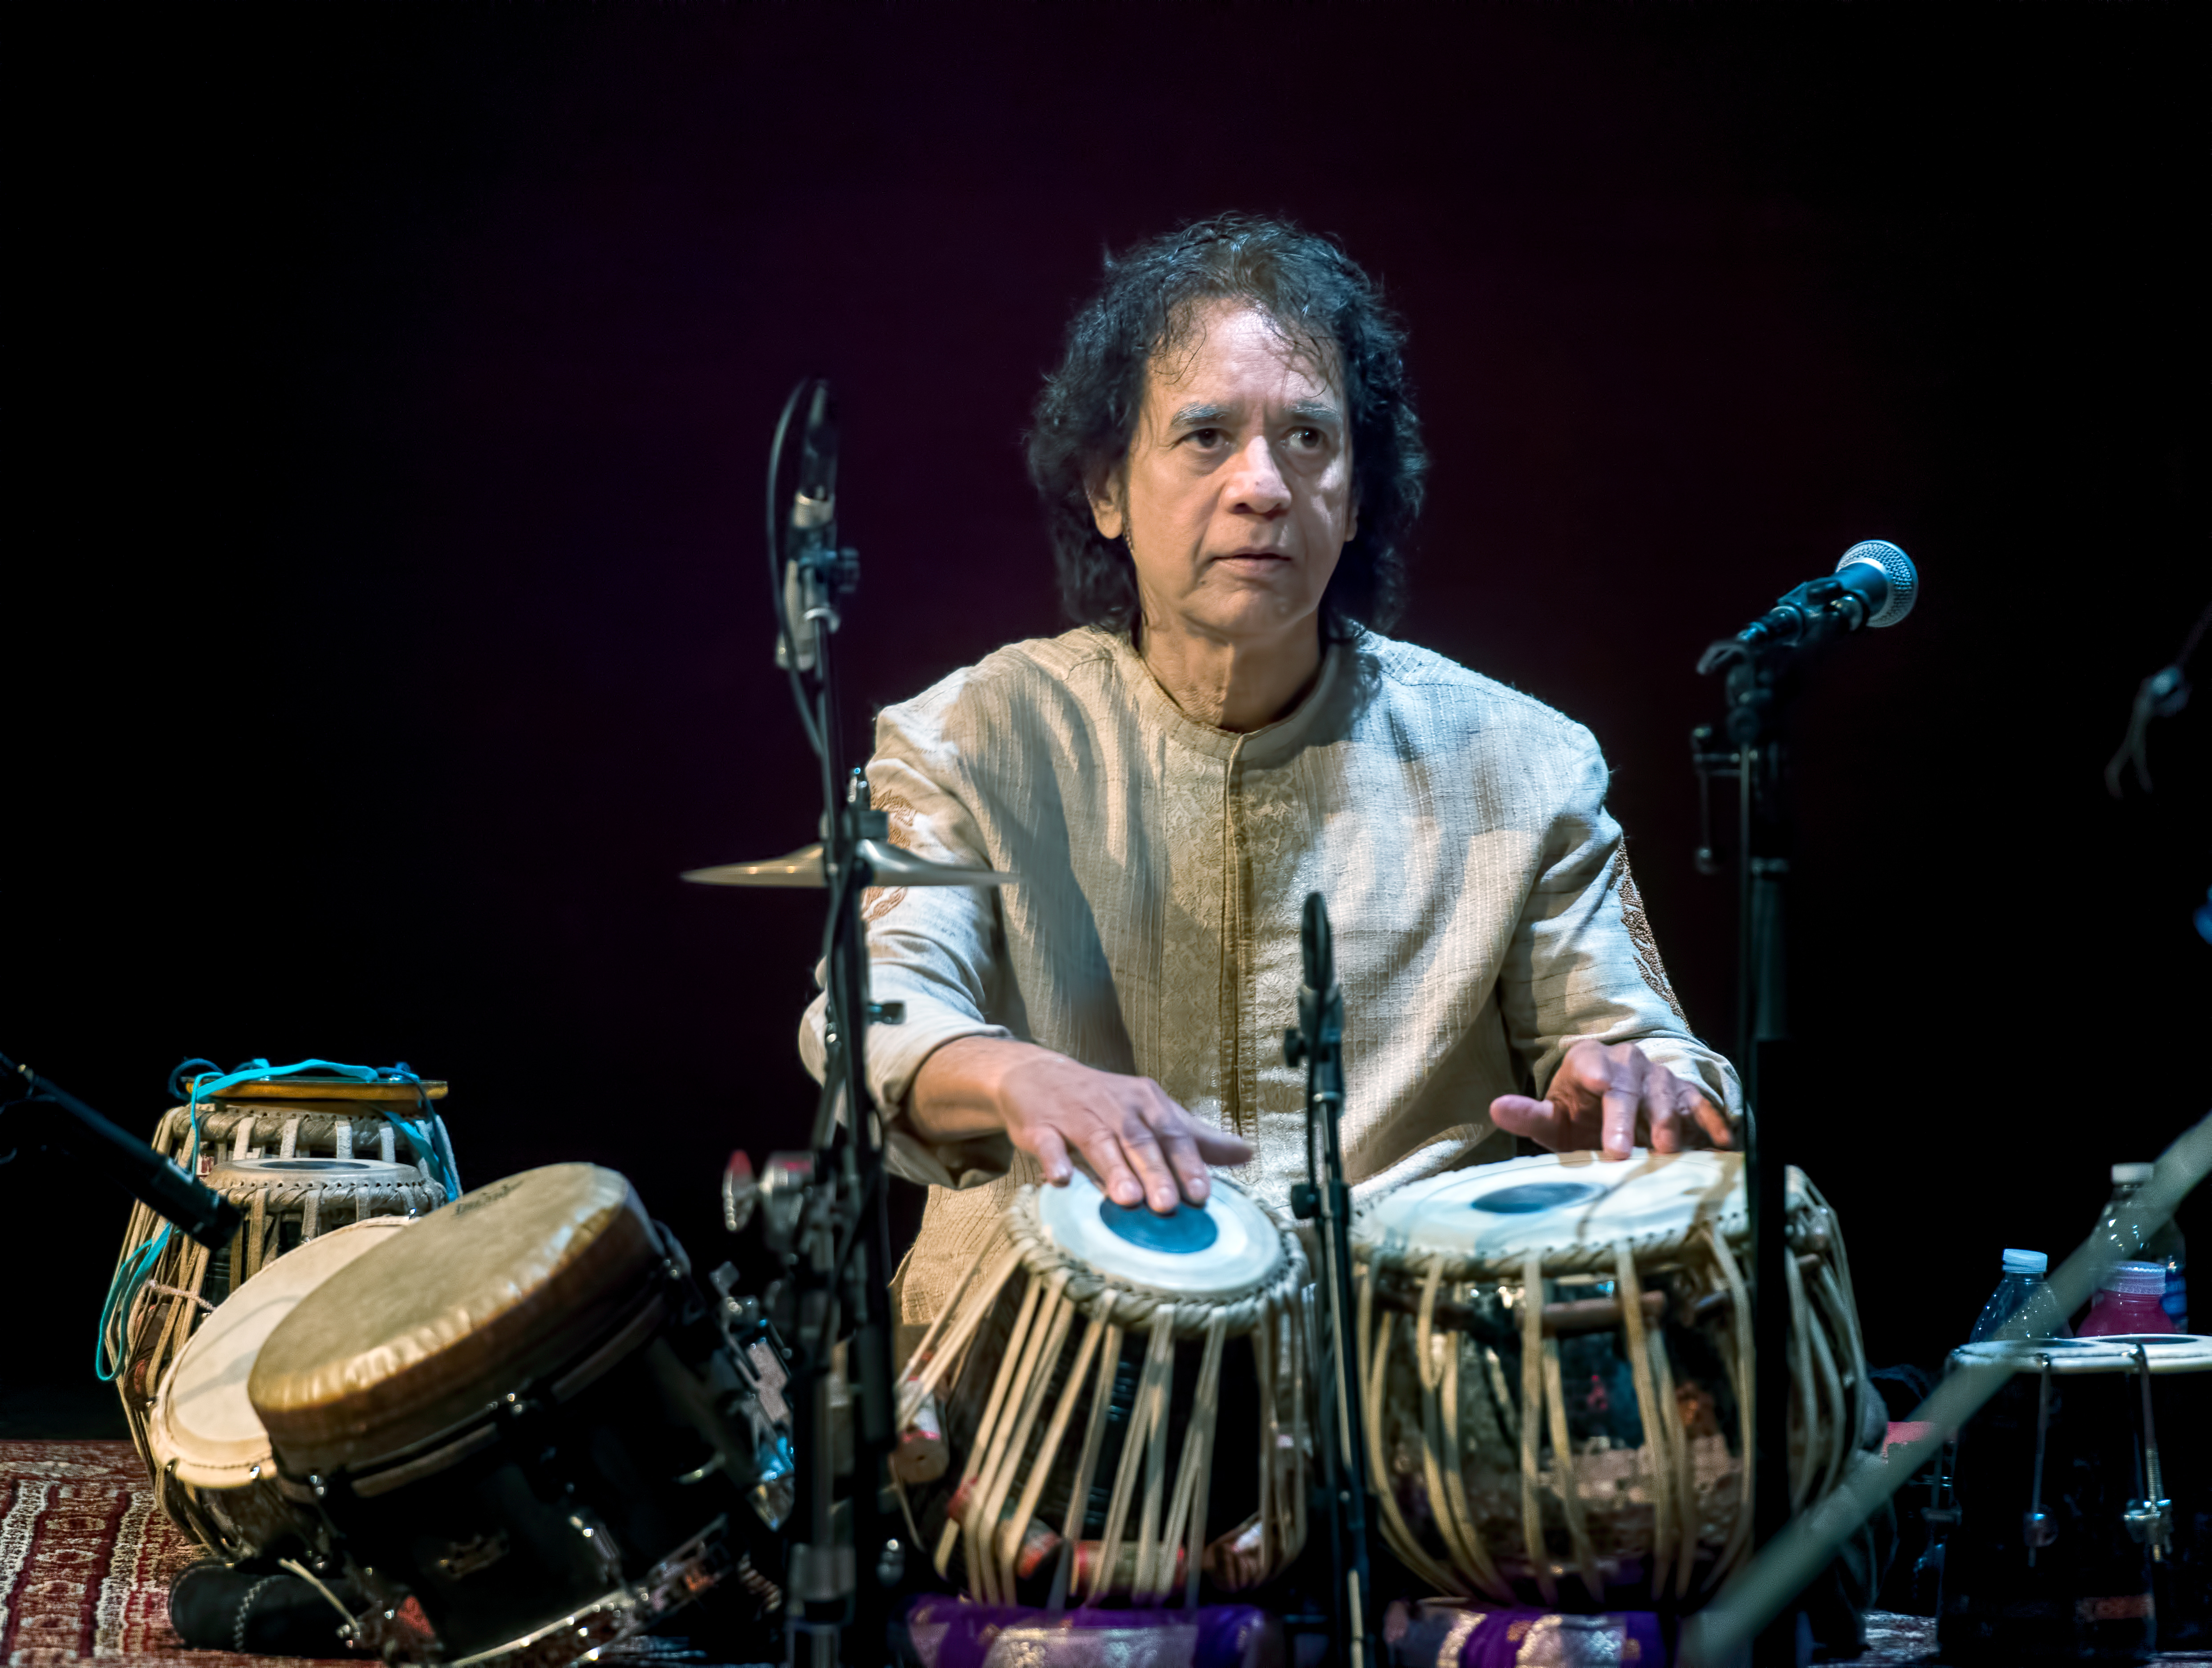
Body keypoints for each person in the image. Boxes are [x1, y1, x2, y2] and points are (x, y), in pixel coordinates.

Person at [800, 214, 1740, 1344]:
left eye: (1307, 438)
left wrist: (1637, 1083)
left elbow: (1644, 1045)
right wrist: (1016, 1075)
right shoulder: (972, 737)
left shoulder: (1519, 763)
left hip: (1415, 1388)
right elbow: (871, 1014)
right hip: (1056, 1369)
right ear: (1108, 490)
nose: (1261, 485)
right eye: (1203, 437)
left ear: (1352, 497)